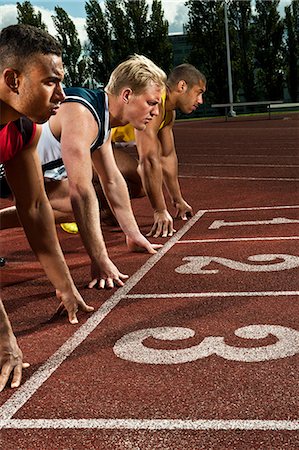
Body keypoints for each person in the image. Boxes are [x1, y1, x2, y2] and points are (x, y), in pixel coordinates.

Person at [0, 54, 166, 290]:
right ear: (127, 95)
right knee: (79, 202)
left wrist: (133, 233)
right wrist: (99, 258)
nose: (156, 112)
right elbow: (81, 189)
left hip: (30, 171)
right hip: (8, 164)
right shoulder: (83, 114)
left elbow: (111, 179)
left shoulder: (102, 117)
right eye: (151, 103)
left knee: (75, 208)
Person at [0, 24, 93, 391]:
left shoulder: (22, 130)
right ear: (13, 79)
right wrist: (4, 336)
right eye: (51, 82)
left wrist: (65, 284)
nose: (62, 94)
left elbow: (36, 206)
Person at [111, 64, 206, 238]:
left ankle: (103, 209)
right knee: (129, 178)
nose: (200, 101)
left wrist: (178, 200)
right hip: (93, 142)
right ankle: (73, 206)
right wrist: (159, 210)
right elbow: (147, 159)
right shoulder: (155, 103)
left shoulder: (169, 114)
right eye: (199, 92)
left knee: (139, 188)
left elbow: (167, 156)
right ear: (182, 86)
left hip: (107, 144)